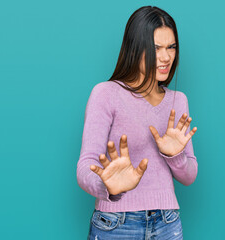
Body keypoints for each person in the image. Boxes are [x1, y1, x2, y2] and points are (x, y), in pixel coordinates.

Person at [77, 5, 198, 239]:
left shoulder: (178, 101)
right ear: (136, 48)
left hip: (167, 222)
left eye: (171, 47)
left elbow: (189, 175)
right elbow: (85, 166)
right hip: (116, 223)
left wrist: (175, 155)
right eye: (156, 48)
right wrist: (108, 187)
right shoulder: (106, 93)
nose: (166, 57)